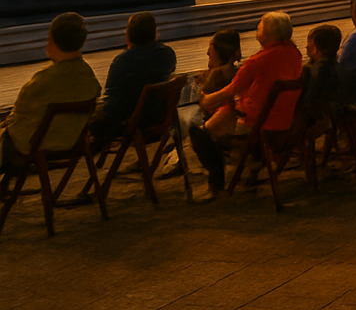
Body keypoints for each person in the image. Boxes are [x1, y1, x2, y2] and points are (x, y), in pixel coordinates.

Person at [190, 12, 304, 192]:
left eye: (259, 27)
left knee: (199, 131)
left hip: (257, 122)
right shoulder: (294, 54)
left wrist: (205, 100)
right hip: (286, 118)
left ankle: (217, 178)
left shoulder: (257, 61)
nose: (256, 29)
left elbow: (230, 90)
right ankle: (254, 165)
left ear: (267, 34)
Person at [1, 13, 101, 175]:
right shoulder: (88, 76)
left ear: (52, 41)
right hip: (73, 141)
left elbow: (19, 115)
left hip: (35, 144)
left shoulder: (43, 79)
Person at [90, 11, 178, 144]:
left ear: (128, 35)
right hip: (158, 116)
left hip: (130, 119)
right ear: (154, 33)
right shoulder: (167, 55)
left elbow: (112, 103)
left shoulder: (122, 61)